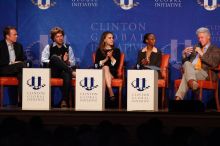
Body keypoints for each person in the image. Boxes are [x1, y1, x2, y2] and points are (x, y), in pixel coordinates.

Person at [175, 27, 220, 100]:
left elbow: (214, 63)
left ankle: (178, 98)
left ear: (208, 37)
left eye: (202, 37)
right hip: (192, 71)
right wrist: (184, 54)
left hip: (205, 73)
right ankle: (192, 82)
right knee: (187, 64)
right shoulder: (196, 46)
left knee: (186, 75)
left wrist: (201, 53)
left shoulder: (215, 49)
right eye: (199, 38)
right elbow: (187, 63)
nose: (200, 40)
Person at [41, 27, 76, 108]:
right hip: (52, 72)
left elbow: (73, 62)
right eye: (57, 36)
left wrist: (66, 62)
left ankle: (64, 100)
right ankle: (72, 72)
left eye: (61, 36)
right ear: (53, 38)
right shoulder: (48, 47)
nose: (60, 38)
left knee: (67, 74)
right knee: (53, 57)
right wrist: (56, 61)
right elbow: (43, 60)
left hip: (63, 72)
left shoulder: (68, 48)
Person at [0, 26, 26, 106]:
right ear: (7, 36)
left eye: (17, 34)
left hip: (16, 69)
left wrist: (18, 64)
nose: (17, 36)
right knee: (22, 65)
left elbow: (23, 59)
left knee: (22, 74)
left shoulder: (19, 46)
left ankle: (21, 102)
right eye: (14, 35)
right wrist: (13, 63)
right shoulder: (1, 45)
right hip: (3, 69)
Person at [95, 31, 121, 102]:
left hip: (112, 73)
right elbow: (96, 65)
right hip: (100, 74)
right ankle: (110, 92)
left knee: (106, 67)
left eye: (112, 38)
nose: (112, 39)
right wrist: (106, 59)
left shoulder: (116, 50)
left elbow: (116, 65)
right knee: (105, 67)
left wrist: (111, 57)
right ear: (104, 40)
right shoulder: (99, 51)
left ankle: (109, 91)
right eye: (109, 38)